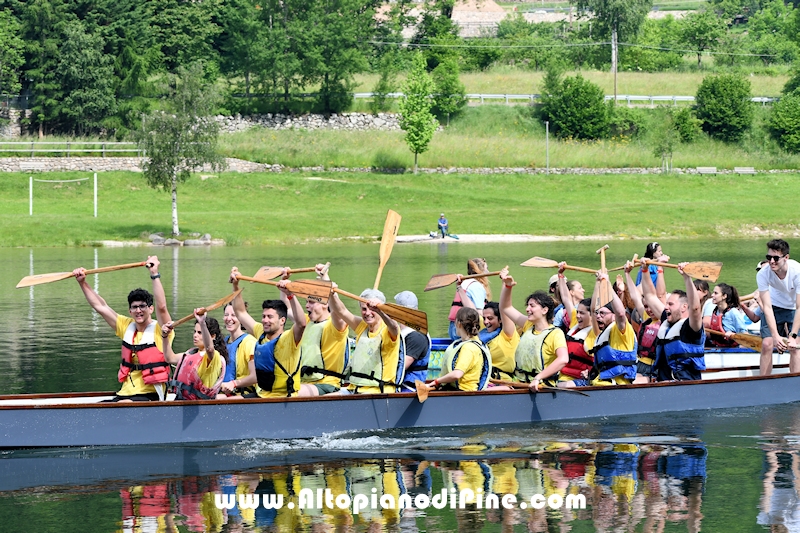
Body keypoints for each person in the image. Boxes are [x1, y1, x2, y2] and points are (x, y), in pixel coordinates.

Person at [72, 256, 173, 402]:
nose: (138, 310)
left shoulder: (161, 330)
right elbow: (100, 306)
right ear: (130, 311)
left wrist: (154, 274)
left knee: (122, 405)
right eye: (134, 307)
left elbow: (162, 307)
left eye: (142, 306)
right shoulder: (127, 326)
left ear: (150, 309)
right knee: (100, 407)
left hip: (151, 395)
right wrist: (82, 282)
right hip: (125, 394)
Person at [229, 267, 307, 398]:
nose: (265, 320)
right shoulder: (261, 332)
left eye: (270, 317)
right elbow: (241, 313)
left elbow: (302, 323)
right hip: (262, 395)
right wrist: (236, 286)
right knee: (227, 402)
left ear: (282, 320)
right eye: (264, 316)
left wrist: (290, 295)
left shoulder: (290, 337)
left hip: (283, 398)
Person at [280, 264, 349, 396]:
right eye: (306, 302)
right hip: (304, 382)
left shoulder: (335, 326)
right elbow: (286, 308)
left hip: (327, 383)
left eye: (311, 302)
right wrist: (286, 288)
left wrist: (326, 279)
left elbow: (339, 311)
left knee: (289, 392)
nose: (307, 305)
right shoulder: (305, 321)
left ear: (324, 304)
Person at [498, 267, 568, 391]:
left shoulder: (555, 333)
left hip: (542, 386)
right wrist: (507, 286)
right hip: (520, 383)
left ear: (544, 310)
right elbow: (505, 307)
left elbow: (563, 359)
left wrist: (538, 378)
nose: (527, 309)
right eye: (528, 306)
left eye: (532, 306)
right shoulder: (528, 325)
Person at [641, 259, 705, 381]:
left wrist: (687, 278)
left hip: (684, 384)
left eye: (670, 304)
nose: (666, 307)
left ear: (684, 307)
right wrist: (644, 270)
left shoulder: (691, 327)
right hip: (663, 383)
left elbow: (696, 308)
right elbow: (649, 296)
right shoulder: (667, 320)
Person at [328, 287, 401, 394]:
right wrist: (332, 293)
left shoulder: (388, 330)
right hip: (355, 389)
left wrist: (380, 311)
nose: (367, 313)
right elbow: (341, 311)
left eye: (372, 309)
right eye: (364, 309)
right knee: (321, 403)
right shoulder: (362, 326)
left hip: (378, 391)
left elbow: (394, 327)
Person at [582, 271, 638, 386]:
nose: (598, 316)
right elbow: (592, 310)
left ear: (613, 315)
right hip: (600, 383)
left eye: (602, 313)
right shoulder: (602, 333)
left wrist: (607, 284)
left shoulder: (621, 328)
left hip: (615, 386)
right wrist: (598, 283)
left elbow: (621, 313)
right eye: (598, 313)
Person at [161, 311, 226, 400]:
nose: (195, 335)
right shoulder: (191, 354)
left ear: (212, 336)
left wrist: (202, 323)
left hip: (198, 404)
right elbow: (169, 358)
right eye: (194, 331)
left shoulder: (214, 357)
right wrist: (165, 336)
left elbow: (210, 349)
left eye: (200, 333)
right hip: (181, 401)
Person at [758, 239, 800, 374]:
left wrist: (792, 336)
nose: (771, 261)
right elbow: (767, 307)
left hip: (794, 307)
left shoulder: (797, 272)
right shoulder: (763, 274)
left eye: (776, 258)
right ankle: (763, 384)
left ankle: (795, 383)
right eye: (768, 257)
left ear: (786, 258)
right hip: (774, 306)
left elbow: (799, 307)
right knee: (767, 344)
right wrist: (776, 336)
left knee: (794, 347)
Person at [429, 308, 491, 391]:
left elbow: (457, 374)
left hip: (463, 392)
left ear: (458, 324)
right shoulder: (473, 343)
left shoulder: (469, 348)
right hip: (462, 391)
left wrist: (437, 381)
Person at [624, 261, 660, 383]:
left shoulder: (663, 319)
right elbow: (634, 296)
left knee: (634, 383)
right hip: (639, 363)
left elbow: (656, 295)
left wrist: (659, 270)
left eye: (651, 306)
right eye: (646, 307)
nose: (649, 310)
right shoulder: (646, 318)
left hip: (654, 367)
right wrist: (627, 274)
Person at [394, 291, 431, 391]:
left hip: (409, 387)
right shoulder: (405, 331)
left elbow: (401, 367)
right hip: (401, 384)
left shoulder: (416, 336)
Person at [219, 302, 258, 398]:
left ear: (241, 319)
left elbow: (255, 376)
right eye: (226, 315)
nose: (229, 319)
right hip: (223, 391)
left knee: (219, 398)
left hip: (243, 394)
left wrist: (234, 384)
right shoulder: (223, 341)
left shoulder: (249, 342)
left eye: (234, 315)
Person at [448, 258, 492, 340]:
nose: (488, 272)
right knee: (496, 331)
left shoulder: (465, 282)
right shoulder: (476, 286)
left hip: (453, 328)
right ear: (480, 271)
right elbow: (479, 312)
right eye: (486, 269)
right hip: (464, 329)